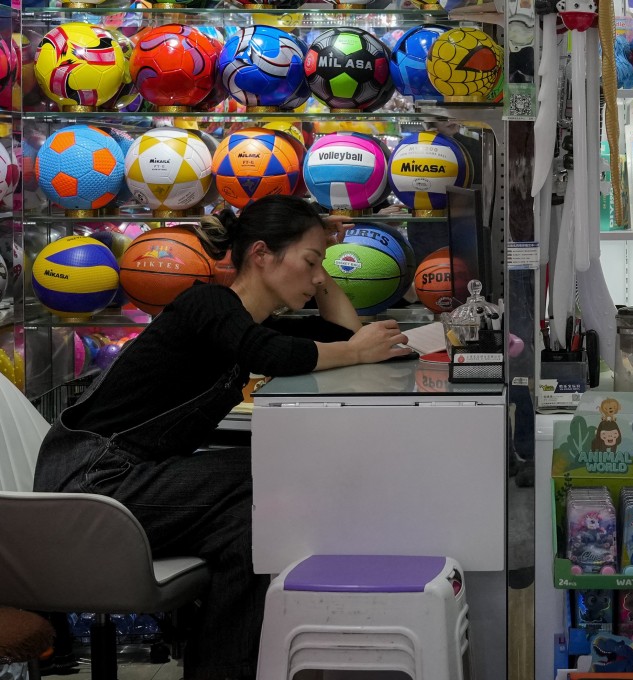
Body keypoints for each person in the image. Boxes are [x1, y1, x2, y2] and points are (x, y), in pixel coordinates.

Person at [33, 195, 411, 680]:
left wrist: (324, 266)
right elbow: (275, 353)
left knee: (247, 531)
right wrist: (357, 354)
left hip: (126, 480)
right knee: (273, 477)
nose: (318, 277)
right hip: (90, 481)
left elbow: (342, 335)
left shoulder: (248, 324)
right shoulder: (207, 304)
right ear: (260, 254)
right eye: (311, 262)